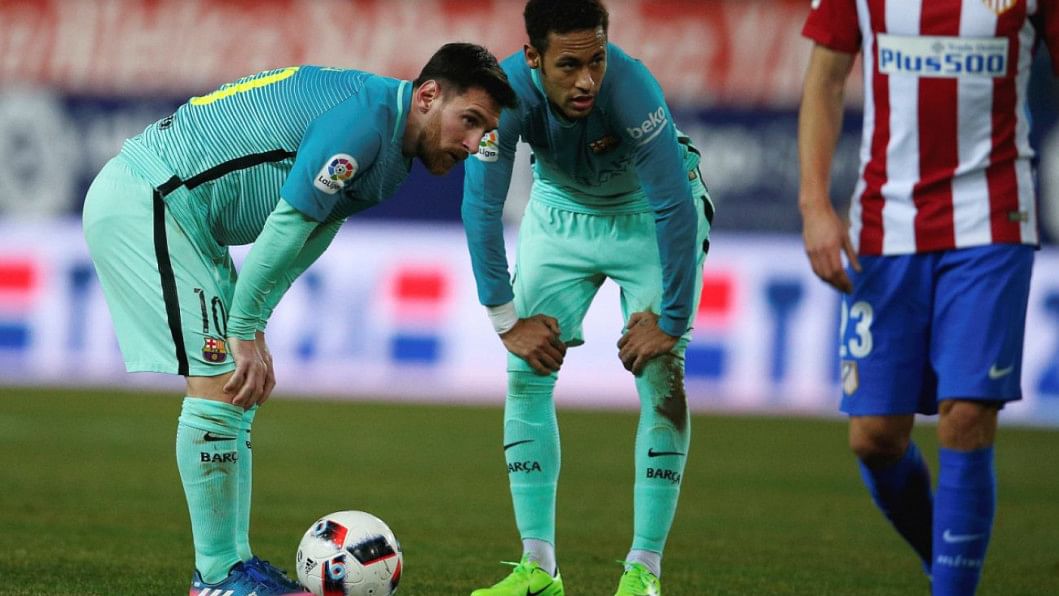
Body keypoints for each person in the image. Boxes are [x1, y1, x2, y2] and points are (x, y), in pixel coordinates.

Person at [82, 43, 516, 596]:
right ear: (428, 96)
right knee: (220, 381)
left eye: (485, 132)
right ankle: (216, 576)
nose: (474, 144)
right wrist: (242, 328)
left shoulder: (392, 150)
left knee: (237, 390)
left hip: (187, 218)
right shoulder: (364, 121)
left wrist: (255, 322)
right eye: (470, 121)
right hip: (151, 198)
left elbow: (314, 232)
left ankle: (232, 566)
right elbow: (288, 223)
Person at [799, 1, 1058, 594]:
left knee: (966, 415)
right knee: (875, 437)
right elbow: (826, 79)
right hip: (885, 225)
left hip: (992, 220)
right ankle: (946, 565)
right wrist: (815, 205)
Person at [461, 1, 713, 594]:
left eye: (596, 60)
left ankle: (643, 573)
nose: (587, 81)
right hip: (559, 210)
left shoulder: (632, 89)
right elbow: (482, 205)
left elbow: (674, 205)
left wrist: (672, 321)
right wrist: (506, 321)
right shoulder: (503, 93)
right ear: (533, 57)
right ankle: (538, 569)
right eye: (569, 65)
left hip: (646, 216)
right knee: (526, 369)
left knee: (662, 373)